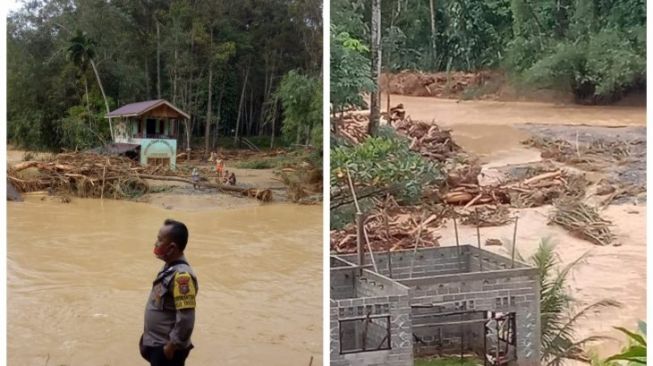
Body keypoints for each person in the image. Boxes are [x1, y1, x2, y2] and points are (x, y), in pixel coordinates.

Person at [140, 219, 198, 366]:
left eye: (160, 240)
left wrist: (171, 347)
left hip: (167, 350)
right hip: (157, 344)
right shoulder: (169, 267)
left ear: (172, 248)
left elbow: (186, 319)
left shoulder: (182, 277)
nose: (156, 243)